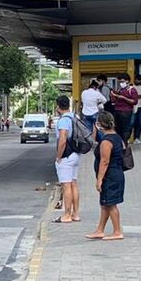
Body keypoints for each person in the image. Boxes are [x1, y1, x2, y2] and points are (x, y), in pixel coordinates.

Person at [86, 111, 125, 241]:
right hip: (116, 173)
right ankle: (100, 230)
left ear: (100, 125)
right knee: (105, 203)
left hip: (110, 176)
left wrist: (99, 180)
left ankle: (117, 231)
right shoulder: (117, 137)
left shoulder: (106, 142)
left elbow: (104, 161)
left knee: (111, 204)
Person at [51, 96, 80, 224]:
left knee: (66, 185)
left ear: (58, 107)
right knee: (73, 184)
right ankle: (76, 214)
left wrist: (58, 157)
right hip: (76, 154)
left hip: (66, 156)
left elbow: (62, 140)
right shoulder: (75, 117)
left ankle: (67, 215)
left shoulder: (63, 121)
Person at [108, 74, 138, 141]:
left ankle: (124, 143)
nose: (121, 83)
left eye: (122, 81)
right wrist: (112, 95)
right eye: (119, 82)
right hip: (117, 111)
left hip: (126, 112)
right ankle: (119, 143)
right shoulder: (119, 89)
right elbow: (114, 101)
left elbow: (134, 101)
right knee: (117, 128)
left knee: (125, 129)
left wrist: (124, 98)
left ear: (127, 81)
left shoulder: (132, 90)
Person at [129, 75, 141, 143]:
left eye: (139, 80)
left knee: (140, 122)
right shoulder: (131, 86)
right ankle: (128, 137)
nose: (138, 81)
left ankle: (137, 138)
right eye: (137, 80)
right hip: (133, 106)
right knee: (131, 123)